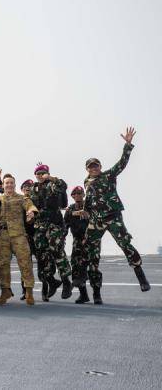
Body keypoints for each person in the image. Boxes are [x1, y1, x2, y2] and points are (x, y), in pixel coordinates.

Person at [78, 127, 148, 303]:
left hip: (113, 217)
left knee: (125, 244)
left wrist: (128, 145)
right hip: (96, 220)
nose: (94, 168)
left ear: (100, 167)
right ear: (87, 169)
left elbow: (122, 163)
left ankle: (141, 276)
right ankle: (93, 289)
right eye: (91, 167)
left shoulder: (109, 175)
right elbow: (89, 199)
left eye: (96, 166)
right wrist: (85, 210)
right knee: (88, 249)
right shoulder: (87, 181)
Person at [30, 164, 73, 300]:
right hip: (40, 225)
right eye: (38, 173)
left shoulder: (53, 185)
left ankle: (66, 281)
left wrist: (52, 178)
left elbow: (63, 186)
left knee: (56, 248)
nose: (40, 175)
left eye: (43, 173)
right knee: (42, 253)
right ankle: (51, 281)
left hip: (54, 224)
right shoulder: (33, 189)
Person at [0, 174, 38, 306]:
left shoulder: (21, 198)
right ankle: (5, 291)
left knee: (25, 263)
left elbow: (30, 206)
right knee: (2, 264)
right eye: (6, 183)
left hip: (19, 235)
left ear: (14, 184)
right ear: (3, 185)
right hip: (3, 235)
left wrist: (31, 213)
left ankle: (29, 291)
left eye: (11, 183)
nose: (9, 185)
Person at [64, 186, 90, 303]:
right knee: (75, 266)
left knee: (92, 269)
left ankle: (97, 295)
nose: (77, 195)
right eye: (75, 193)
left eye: (80, 193)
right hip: (77, 241)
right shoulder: (70, 209)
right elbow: (65, 225)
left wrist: (87, 237)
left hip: (90, 241)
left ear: (84, 195)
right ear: (72, 196)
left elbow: (96, 222)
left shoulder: (89, 207)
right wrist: (61, 238)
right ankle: (83, 295)